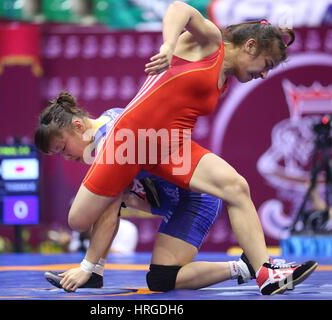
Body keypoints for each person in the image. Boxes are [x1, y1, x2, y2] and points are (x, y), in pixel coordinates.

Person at [37, 1, 317, 295]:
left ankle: (265, 272)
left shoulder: (225, 74)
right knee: (78, 220)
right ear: (249, 46)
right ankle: (91, 268)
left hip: (170, 147)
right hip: (130, 144)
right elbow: (180, 8)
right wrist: (169, 45)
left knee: (236, 186)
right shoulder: (209, 42)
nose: (264, 74)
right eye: (266, 65)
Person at [37, 97, 258, 291]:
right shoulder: (111, 116)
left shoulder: (111, 144)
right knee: (104, 200)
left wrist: (85, 267)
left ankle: (243, 267)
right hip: (177, 193)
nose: (66, 157)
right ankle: (95, 274)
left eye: (63, 148)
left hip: (196, 198)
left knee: (161, 279)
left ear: (77, 125)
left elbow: (108, 217)